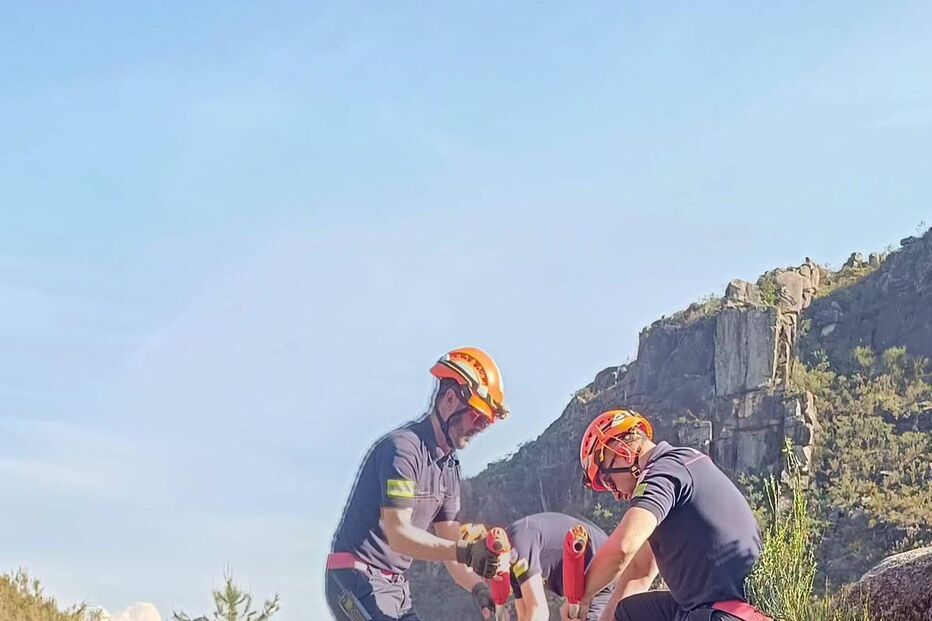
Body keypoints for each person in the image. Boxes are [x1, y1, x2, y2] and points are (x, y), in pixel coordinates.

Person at [326, 347, 511, 620]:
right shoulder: (402, 449)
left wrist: (479, 588)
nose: (480, 428)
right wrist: (466, 551)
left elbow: (450, 549)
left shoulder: (448, 469)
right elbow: (399, 535)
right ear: (450, 400)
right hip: (354, 578)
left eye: (486, 424)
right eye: (478, 418)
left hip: (396, 588)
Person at [565, 409, 770, 621]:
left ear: (623, 452)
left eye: (608, 481)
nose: (615, 495)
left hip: (723, 615)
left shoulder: (664, 472)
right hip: (724, 610)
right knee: (627, 613)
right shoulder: (680, 466)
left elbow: (624, 547)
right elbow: (639, 569)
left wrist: (582, 596)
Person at [503, 512, 633, 621]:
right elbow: (523, 615)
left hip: (600, 570)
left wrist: (582, 599)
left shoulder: (519, 545)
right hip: (578, 586)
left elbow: (539, 613)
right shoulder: (512, 567)